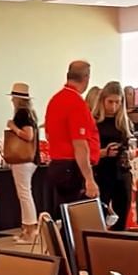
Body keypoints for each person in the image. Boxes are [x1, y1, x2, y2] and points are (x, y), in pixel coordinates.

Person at [45, 61, 100, 206]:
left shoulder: (55, 100)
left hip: (57, 164)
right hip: (72, 167)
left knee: (65, 212)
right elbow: (80, 144)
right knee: (79, 214)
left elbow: (48, 135)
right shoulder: (76, 103)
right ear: (86, 77)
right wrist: (89, 178)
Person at [92, 81, 133, 230]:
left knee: (122, 219)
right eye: (110, 102)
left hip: (122, 173)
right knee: (99, 217)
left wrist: (130, 152)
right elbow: (87, 152)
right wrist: (104, 152)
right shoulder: (94, 122)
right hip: (102, 173)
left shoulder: (124, 122)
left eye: (117, 102)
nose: (113, 107)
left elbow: (131, 147)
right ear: (103, 100)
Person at [5, 82, 39, 245]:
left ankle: (30, 230)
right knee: (25, 193)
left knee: (24, 194)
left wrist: (13, 127)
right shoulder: (30, 113)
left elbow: (28, 135)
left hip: (23, 160)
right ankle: (27, 228)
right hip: (30, 160)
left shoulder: (22, 115)